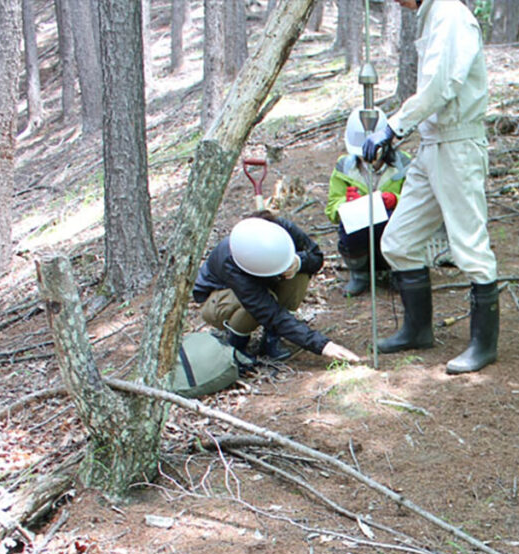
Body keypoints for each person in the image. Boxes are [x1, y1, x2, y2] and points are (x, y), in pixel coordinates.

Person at [363, 0, 498, 375]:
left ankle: (483, 346)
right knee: (399, 241)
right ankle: (417, 330)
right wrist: (397, 136)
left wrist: (393, 127)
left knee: (470, 245)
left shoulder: (450, 13)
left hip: (458, 145)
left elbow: (440, 87)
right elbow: (433, 96)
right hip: (432, 144)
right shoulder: (432, 15)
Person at [192, 212, 361, 365]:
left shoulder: (282, 229)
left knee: (299, 275)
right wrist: (323, 345)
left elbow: (316, 257)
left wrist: (299, 261)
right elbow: (267, 310)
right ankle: (237, 343)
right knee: (252, 306)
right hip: (217, 299)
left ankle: (272, 338)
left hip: (262, 285)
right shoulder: (230, 258)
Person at [325, 107, 411, 297]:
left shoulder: (404, 164)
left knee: (394, 223)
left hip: (394, 231)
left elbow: (418, 201)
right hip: (359, 234)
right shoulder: (344, 167)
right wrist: (345, 204)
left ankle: (395, 270)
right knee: (349, 227)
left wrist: (395, 200)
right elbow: (331, 207)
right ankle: (360, 273)